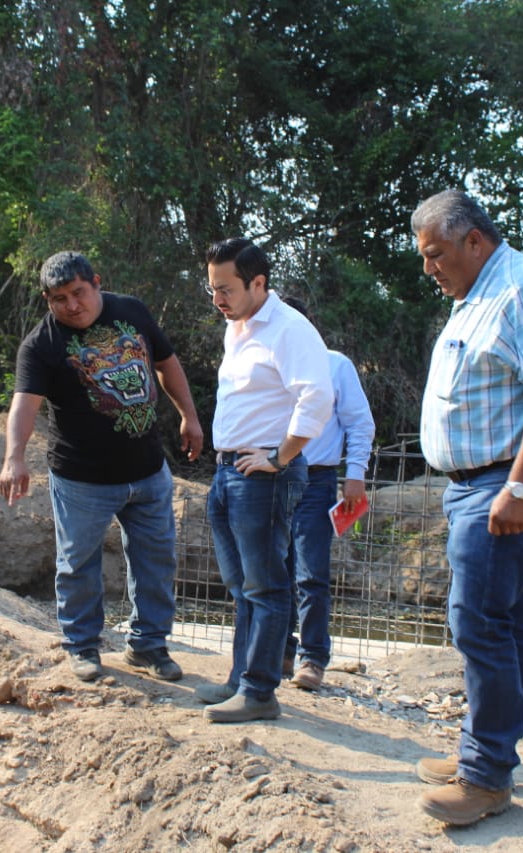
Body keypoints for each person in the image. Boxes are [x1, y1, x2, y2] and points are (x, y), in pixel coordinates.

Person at [411, 190, 523, 826]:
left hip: (505, 483)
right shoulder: (476, 297)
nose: (429, 268)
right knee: (505, 620)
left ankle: (484, 776)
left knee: (478, 620)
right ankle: (487, 755)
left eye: (436, 254)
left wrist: (520, 486)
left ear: (474, 240)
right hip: (479, 484)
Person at [0, 251, 204, 683]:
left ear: (96, 282)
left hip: (148, 471)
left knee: (156, 560)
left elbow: (166, 363)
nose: (72, 306)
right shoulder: (41, 345)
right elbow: (24, 405)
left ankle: (149, 646)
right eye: (60, 299)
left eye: (78, 293)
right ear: (47, 299)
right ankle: (82, 646)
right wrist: (14, 457)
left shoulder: (131, 311)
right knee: (78, 564)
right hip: (82, 480)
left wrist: (189, 416)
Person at [198, 238, 335, 723]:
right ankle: (241, 680)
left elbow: (317, 397)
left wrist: (280, 457)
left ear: (258, 283)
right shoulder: (237, 328)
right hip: (229, 470)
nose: (218, 299)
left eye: (226, 289)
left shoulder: (290, 329)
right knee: (242, 586)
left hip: (263, 477)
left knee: (265, 586)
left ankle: (259, 692)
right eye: (212, 289)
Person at [279, 296, 376, 691]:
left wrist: (355, 476)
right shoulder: (265, 366)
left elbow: (360, 423)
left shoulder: (335, 364)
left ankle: (313, 657)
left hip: (316, 479)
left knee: (310, 571)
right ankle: (280, 650)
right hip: (270, 479)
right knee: (273, 568)